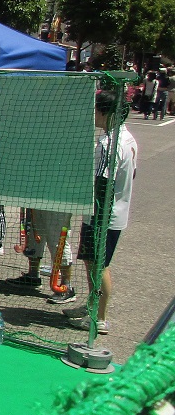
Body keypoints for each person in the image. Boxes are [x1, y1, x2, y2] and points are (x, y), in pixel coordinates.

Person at [66, 89, 138, 335]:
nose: (91, 114)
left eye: (95, 109)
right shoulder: (123, 138)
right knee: (90, 262)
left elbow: (102, 181)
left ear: (104, 112)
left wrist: (91, 210)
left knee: (100, 265)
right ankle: (91, 307)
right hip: (103, 213)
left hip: (104, 216)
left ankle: (101, 318)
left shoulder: (111, 142)